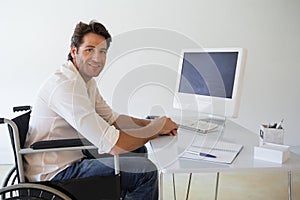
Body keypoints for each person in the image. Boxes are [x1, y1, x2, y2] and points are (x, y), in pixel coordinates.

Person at [24, 20, 178, 200]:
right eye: (89, 50)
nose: (97, 58)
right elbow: (114, 145)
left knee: (138, 151)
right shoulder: (67, 86)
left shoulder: (85, 80)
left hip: (71, 157)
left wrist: (152, 123)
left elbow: (113, 119)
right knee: (145, 172)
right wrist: (156, 129)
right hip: (55, 174)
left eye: (102, 51)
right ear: (74, 51)